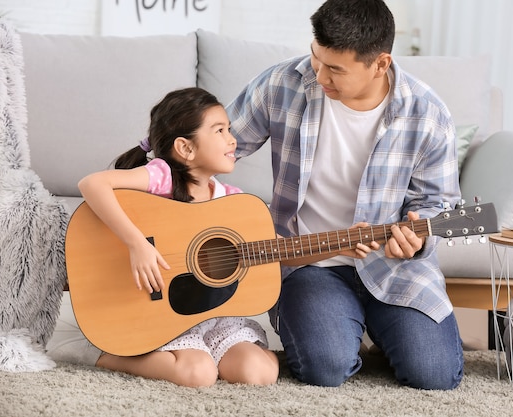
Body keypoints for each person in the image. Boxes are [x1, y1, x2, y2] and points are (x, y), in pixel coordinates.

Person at [226, 0, 464, 390]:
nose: (319, 76)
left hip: (395, 270)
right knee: (325, 369)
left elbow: (436, 205)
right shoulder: (283, 83)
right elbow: (216, 144)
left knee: (434, 376)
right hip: (308, 264)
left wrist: (416, 236)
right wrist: (152, 171)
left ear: (380, 64)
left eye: (336, 69)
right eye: (316, 59)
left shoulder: (428, 114)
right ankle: (348, 329)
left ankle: (378, 332)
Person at [70, 87, 279, 387]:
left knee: (257, 374)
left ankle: (219, 355)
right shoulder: (161, 176)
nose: (232, 139)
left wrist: (340, 245)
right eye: (219, 130)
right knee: (198, 374)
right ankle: (109, 355)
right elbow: (92, 184)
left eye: (229, 129)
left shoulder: (234, 201)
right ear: (185, 148)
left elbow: (274, 250)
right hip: (163, 317)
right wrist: (137, 244)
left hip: (216, 315)